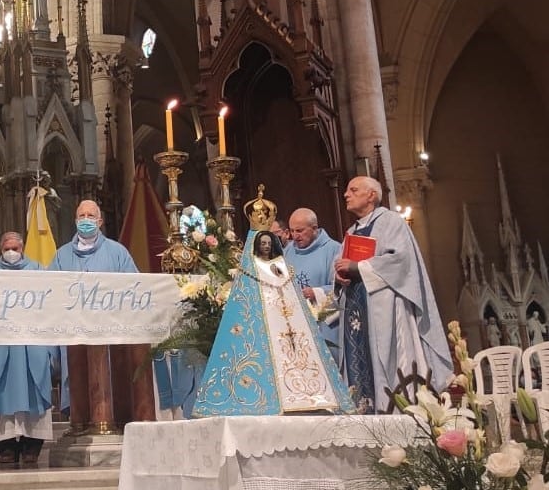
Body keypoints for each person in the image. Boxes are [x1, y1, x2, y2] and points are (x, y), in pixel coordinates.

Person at [193, 230, 353, 416]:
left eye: (270, 243)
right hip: (266, 321)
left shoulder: (283, 264)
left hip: (290, 320)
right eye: (263, 243)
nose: (266, 246)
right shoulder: (251, 268)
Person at [334, 176, 453, 413]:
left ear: (371, 195)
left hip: (386, 308)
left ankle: (396, 411)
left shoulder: (391, 222)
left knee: (389, 364)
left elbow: (401, 261)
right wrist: (339, 276)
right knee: (359, 364)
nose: (346, 194)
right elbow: (342, 264)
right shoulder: (351, 231)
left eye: (353, 190)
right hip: (358, 307)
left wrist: (358, 268)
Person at [48, 200, 138, 421]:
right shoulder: (61, 256)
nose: (85, 220)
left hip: (110, 331)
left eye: (90, 216)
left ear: (100, 221)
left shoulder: (118, 252)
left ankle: (114, 417)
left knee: (110, 378)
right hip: (74, 331)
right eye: (81, 216)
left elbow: (135, 289)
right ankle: (77, 420)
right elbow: (49, 291)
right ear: (75, 220)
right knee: (76, 377)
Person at [0, 232, 55, 467]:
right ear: (1, 249)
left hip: (31, 342)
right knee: (3, 392)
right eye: (7, 248)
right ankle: (6, 447)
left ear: (22, 249)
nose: (11, 252)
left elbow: (48, 305)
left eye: (15, 248)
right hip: (2, 344)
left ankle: (32, 446)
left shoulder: (38, 271)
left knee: (34, 390)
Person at [282, 207, 343, 360]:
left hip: (325, 324)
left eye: (300, 231)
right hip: (295, 323)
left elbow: (342, 289)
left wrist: (316, 293)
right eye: (292, 231)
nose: (295, 236)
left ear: (314, 228)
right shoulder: (288, 251)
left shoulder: (333, 249)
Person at [25, 171, 59, 266]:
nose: (47, 182)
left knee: (53, 234)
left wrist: (48, 195)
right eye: (45, 180)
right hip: (39, 219)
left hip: (50, 215)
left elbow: (58, 203)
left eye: (48, 180)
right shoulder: (35, 191)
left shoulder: (51, 191)